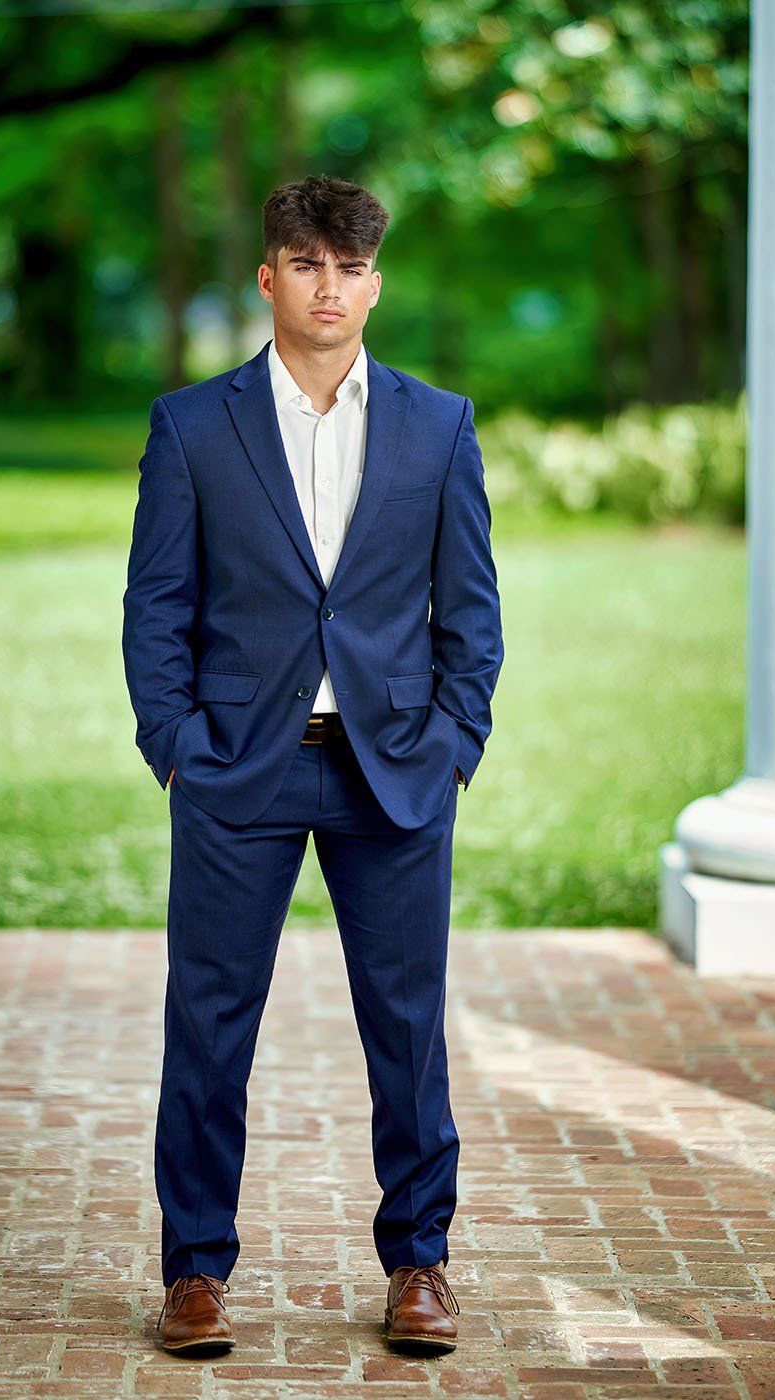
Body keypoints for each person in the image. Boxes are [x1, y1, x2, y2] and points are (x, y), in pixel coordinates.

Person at [121, 173, 504, 1358]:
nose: (327, 286)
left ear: (374, 283)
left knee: (406, 1022)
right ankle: (195, 1269)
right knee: (210, 1019)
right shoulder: (193, 425)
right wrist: (177, 745)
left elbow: (471, 612)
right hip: (239, 765)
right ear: (268, 277)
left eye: (348, 267)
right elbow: (156, 605)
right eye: (305, 263)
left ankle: (420, 1260)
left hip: (394, 768)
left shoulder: (440, 425)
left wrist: (454, 743)